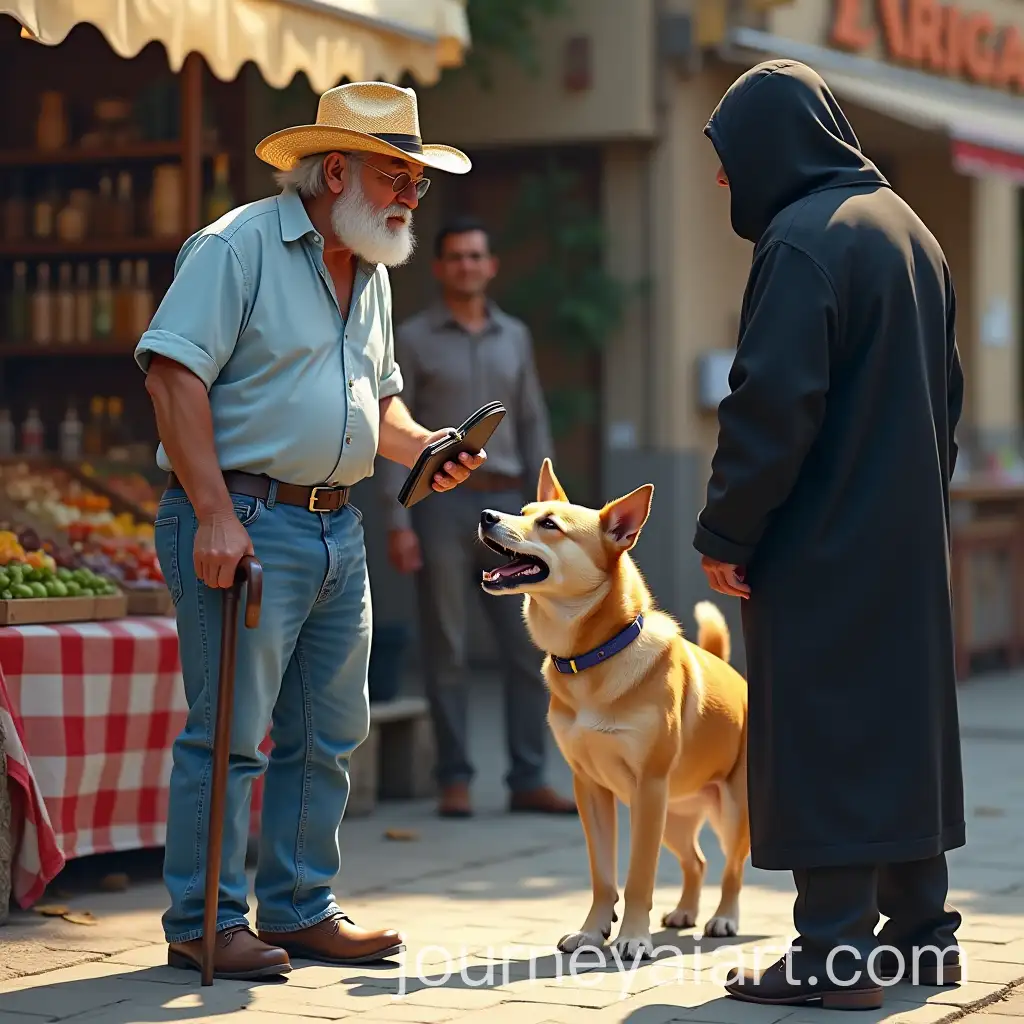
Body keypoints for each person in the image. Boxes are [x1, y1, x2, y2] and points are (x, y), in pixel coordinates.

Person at [135, 82, 488, 981]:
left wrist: (428, 448)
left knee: (330, 732)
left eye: (417, 179)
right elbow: (172, 376)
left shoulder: (370, 269)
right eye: (395, 175)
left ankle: (299, 908)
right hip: (244, 519)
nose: (412, 195)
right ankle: (204, 922)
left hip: (338, 528)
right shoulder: (237, 246)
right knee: (229, 735)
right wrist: (215, 514)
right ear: (335, 172)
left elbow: (379, 404)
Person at [692, 60, 965, 1008]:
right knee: (899, 729)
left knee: (825, 732)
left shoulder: (801, 240)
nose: (723, 177)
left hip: (821, 543)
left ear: (774, 145)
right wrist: (913, 510)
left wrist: (727, 529)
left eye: (730, 156)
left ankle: (835, 952)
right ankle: (922, 938)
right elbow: (948, 401)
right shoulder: (913, 233)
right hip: (905, 541)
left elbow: (770, 406)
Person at [379, 216, 575, 819]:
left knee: (528, 644)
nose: (467, 265)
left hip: (510, 505)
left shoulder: (515, 336)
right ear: (440, 267)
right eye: (456, 257)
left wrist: (550, 513)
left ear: (491, 266)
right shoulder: (412, 338)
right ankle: (454, 778)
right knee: (447, 646)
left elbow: (532, 420)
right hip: (439, 506)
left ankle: (528, 778)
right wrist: (398, 521)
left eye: (476, 256)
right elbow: (390, 430)